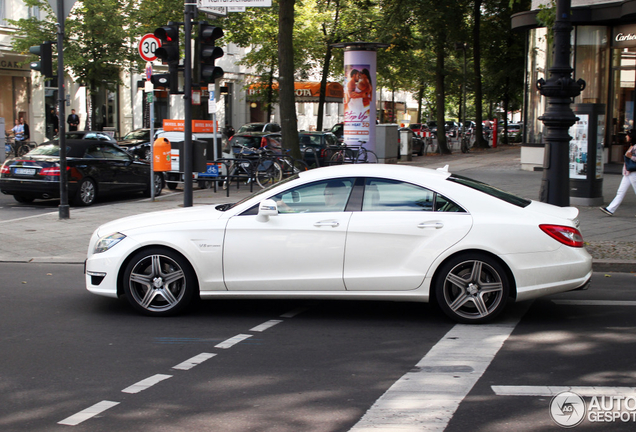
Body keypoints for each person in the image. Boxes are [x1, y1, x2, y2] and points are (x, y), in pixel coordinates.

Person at [600, 132, 636, 216]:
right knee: (620, 191)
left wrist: (631, 157)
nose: (626, 136)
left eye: (628, 135)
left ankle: (610, 209)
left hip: (633, 173)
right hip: (627, 173)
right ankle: (610, 209)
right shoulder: (631, 146)